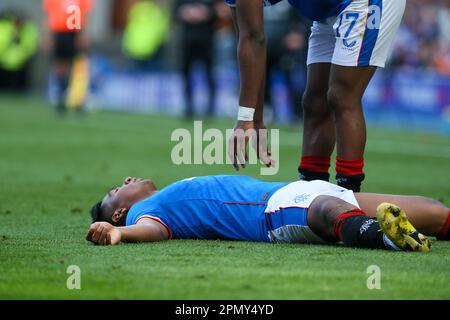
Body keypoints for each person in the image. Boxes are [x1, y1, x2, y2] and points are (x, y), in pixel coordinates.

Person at [226, 0, 406, 192]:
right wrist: (255, 119)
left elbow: (254, 39)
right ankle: (308, 195)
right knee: (314, 103)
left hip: (361, 2)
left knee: (341, 96)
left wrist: (245, 118)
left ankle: (350, 197)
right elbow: (248, 39)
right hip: (326, 10)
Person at [86, 175, 450, 252]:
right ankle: (385, 237)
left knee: (431, 210)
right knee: (327, 211)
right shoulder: (142, 213)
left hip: (295, 190)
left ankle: (395, 229)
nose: (126, 179)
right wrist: (119, 234)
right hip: (272, 212)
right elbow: (153, 230)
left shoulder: (161, 195)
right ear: (119, 212)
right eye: (116, 188)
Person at [42, 0, 93, 115]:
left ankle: (78, 99)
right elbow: (49, 16)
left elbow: (85, 15)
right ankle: (61, 96)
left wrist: (83, 35)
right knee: (61, 66)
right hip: (59, 32)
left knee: (78, 65)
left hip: (75, 32)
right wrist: (47, 37)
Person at [173, 0, 218, 118]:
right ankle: (188, 107)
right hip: (187, 42)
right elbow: (175, 13)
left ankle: (210, 108)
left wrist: (205, 13)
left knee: (209, 74)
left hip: (206, 41)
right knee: (186, 75)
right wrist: (188, 13)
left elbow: (219, 11)